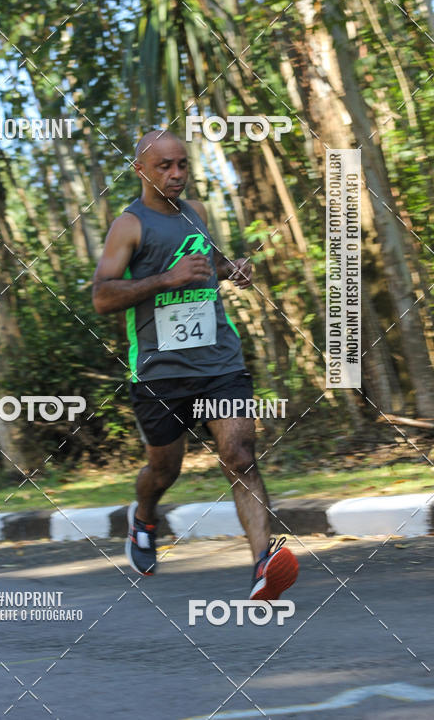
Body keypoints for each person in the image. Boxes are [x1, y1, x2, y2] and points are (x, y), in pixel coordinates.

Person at [92, 129, 298, 601]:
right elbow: (103, 296)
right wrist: (167, 279)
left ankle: (264, 564)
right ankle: (143, 516)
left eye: (182, 164)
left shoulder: (196, 214)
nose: (177, 174)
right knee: (165, 470)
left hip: (218, 361)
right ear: (141, 169)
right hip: (159, 372)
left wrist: (234, 269)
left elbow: (208, 263)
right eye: (165, 166)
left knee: (240, 456)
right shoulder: (130, 224)